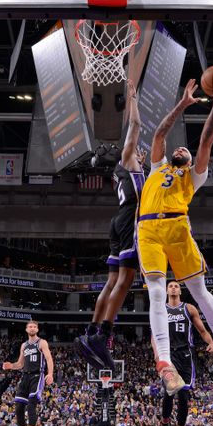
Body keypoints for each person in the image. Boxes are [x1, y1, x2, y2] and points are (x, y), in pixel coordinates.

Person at [137, 75, 213, 395]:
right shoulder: (157, 166)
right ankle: (165, 365)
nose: (182, 148)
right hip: (148, 229)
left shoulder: (194, 175)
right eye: (179, 147)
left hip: (178, 227)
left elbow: (206, 140)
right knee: (155, 293)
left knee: (199, 290)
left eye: (187, 150)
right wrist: (182, 103)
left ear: (193, 161)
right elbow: (160, 133)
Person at [76, 80, 146, 369]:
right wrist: (132, 99)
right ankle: (104, 334)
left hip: (117, 220)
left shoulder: (124, 173)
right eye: (139, 152)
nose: (141, 154)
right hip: (128, 219)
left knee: (111, 281)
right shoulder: (128, 161)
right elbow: (136, 127)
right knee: (125, 280)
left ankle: (91, 331)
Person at [152, 281, 213, 426]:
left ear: (180, 290)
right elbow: (154, 334)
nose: (173, 288)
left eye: (176, 286)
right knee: (169, 392)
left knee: (183, 396)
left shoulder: (189, 309)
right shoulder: (160, 310)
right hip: (168, 355)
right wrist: (157, 354)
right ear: (166, 290)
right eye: (170, 286)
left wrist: (210, 341)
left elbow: (202, 331)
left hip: (185, 354)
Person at [2, 321, 54, 426]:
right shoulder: (24, 345)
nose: (32, 328)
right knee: (18, 408)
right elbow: (20, 364)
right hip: (25, 377)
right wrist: (11, 366)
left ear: (37, 329)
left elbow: (49, 359)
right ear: (26, 329)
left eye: (35, 326)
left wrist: (50, 374)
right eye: (30, 326)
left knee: (31, 405)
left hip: (37, 376)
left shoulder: (42, 342)